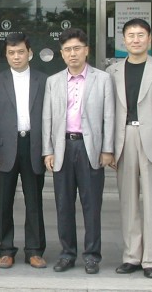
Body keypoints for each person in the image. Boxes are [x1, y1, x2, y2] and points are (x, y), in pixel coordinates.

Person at [106, 18, 152, 279]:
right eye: (131, 35)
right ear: (123, 40)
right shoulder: (113, 71)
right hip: (123, 139)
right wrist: (110, 148)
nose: (136, 39)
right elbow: (108, 112)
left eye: (140, 35)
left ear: (149, 39)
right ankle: (131, 256)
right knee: (128, 202)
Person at [42, 28, 115, 275]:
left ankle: (92, 255)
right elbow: (47, 118)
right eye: (67, 50)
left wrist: (107, 149)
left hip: (89, 148)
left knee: (91, 205)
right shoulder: (53, 82)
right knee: (64, 205)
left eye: (76, 48)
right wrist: (48, 150)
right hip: (62, 147)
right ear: (62, 53)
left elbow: (109, 116)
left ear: (86, 50)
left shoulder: (102, 79)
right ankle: (67, 254)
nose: (72, 54)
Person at [0, 33, 48, 269]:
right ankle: (5, 249)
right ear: (6, 55)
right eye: (11, 53)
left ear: (29, 53)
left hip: (33, 146)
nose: (16, 56)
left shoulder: (44, 81)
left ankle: (34, 250)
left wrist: (49, 149)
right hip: (5, 148)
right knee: (4, 202)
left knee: (34, 202)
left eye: (21, 52)